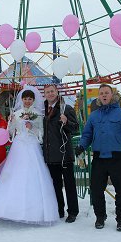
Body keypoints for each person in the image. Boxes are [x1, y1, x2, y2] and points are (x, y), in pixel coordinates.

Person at [0, 85, 59, 225]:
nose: (27, 101)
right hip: (19, 145)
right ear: (22, 99)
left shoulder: (38, 114)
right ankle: (10, 209)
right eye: (25, 98)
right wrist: (11, 122)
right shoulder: (17, 113)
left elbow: (42, 133)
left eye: (30, 99)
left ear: (33, 100)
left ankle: (35, 212)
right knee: (16, 173)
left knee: (33, 175)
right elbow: (11, 132)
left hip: (32, 145)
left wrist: (32, 129)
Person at [76, 84, 121, 231]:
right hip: (99, 157)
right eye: (101, 93)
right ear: (98, 97)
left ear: (112, 95)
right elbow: (87, 135)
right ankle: (100, 217)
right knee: (96, 189)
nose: (104, 95)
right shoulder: (94, 115)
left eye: (107, 93)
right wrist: (81, 145)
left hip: (117, 157)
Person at [42, 84, 80, 223]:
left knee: (69, 185)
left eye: (52, 91)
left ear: (57, 92)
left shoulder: (66, 108)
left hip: (64, 154)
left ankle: (73, 211)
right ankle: (59, 209)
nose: (50, 94)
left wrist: (66, 121)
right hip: (50, 155)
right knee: (55, 185)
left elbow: (75, 128)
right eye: (47, 92)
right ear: (44, 94)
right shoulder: (43, 110)